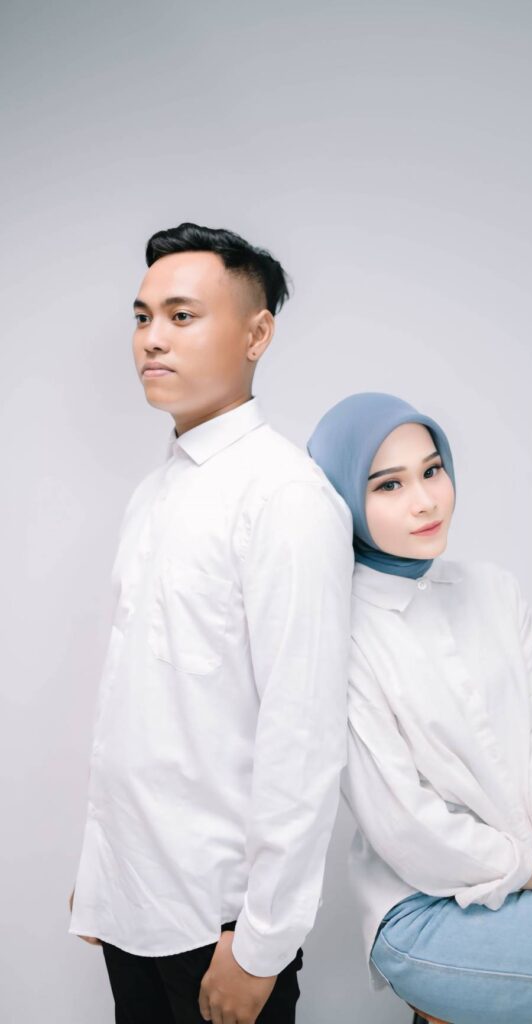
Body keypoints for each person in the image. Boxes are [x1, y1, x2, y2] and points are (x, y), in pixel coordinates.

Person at [307, 391, 532, 1024]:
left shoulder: (494, 591)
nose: (425, 500)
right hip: (425, 910)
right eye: (389, 485)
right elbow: (407, 827)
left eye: (432, 471)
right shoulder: (340, 633)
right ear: (342, 499)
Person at [68, 222, 354, 1024]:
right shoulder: (154, 492)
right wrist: (102, 873)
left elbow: (303, 737)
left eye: (182, 316)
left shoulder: (284, 498)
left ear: (257, 334)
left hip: (219, 922)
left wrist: (260, 945)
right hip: (135, 900)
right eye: (142, 316)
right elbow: (141, 706)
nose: (151, 339)